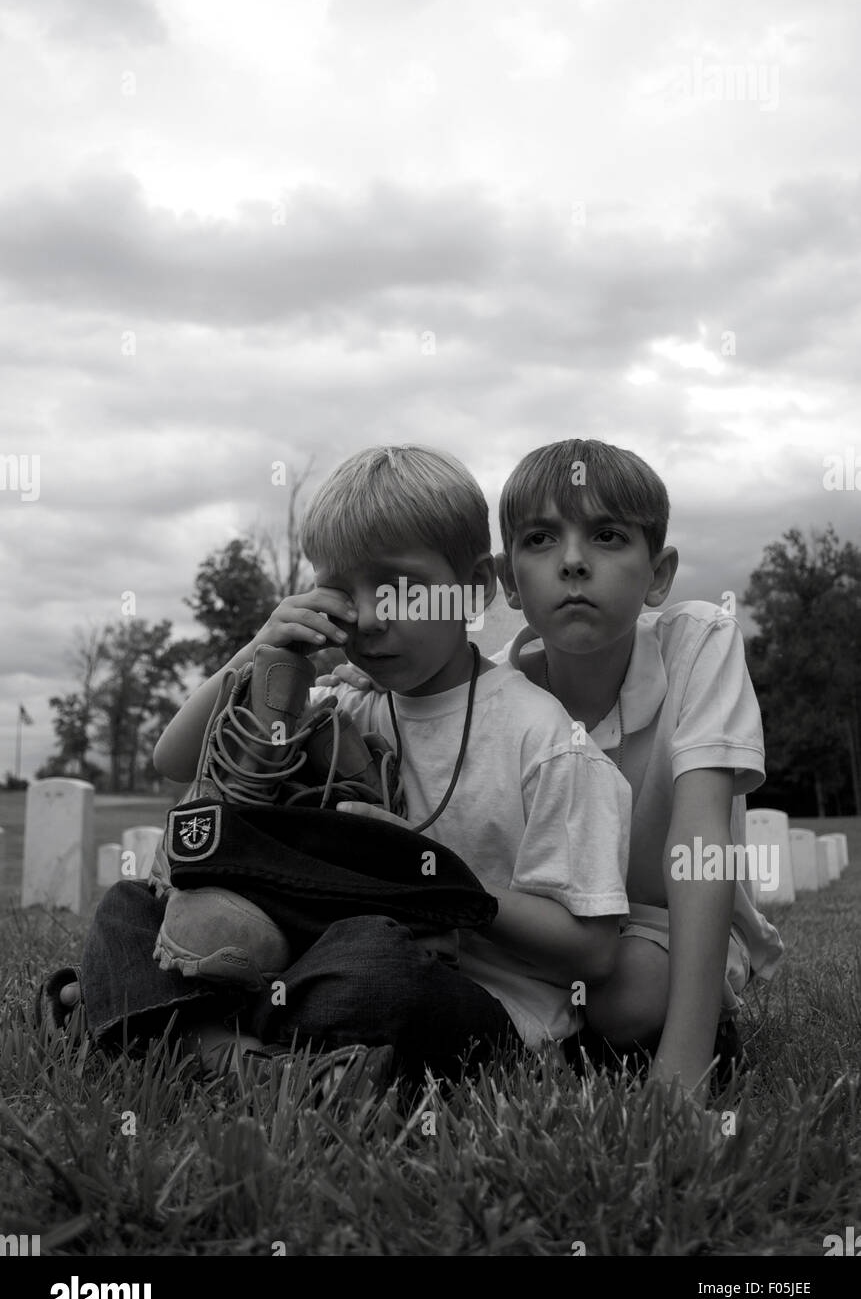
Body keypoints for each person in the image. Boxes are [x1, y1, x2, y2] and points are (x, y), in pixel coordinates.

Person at [40, 444, 630, 1090]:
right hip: (305, 968)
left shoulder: (543, 737)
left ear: (473, 589)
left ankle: (151, 1021)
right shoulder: (344, 703)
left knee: (373, 961)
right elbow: (173, 758)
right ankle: (249, 1060)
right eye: (340, 591)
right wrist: (260, 648)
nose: (370, 618)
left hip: (474, 1001)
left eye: (399, 588)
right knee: (130, 906)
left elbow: (594, 953)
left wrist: (425, 876)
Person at [493, 437, 783, 1097]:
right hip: (550, 938)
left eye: (606, 536)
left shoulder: (699, 644)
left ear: (657, 573)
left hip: (664, 930)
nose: (571, 562)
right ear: (507, 580)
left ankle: (680, 1023)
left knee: (629, 995)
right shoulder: (491, 694)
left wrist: (683, 1069)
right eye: (539, 539)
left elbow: (700, 843)